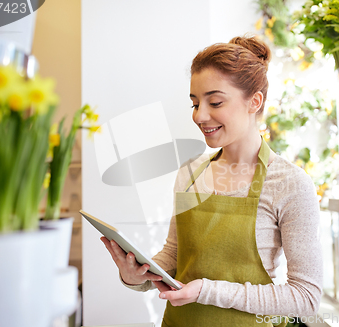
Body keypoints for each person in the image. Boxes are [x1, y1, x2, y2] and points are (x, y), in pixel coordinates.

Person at [101, 35, 323, 326]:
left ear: (254, 102)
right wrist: (135, 277)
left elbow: (306, 297)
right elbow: (175, 254)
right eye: (194, 103)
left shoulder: (289, 184)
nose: (200, 116)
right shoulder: (190, 173)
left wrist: (208, 291)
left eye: (215, 102)